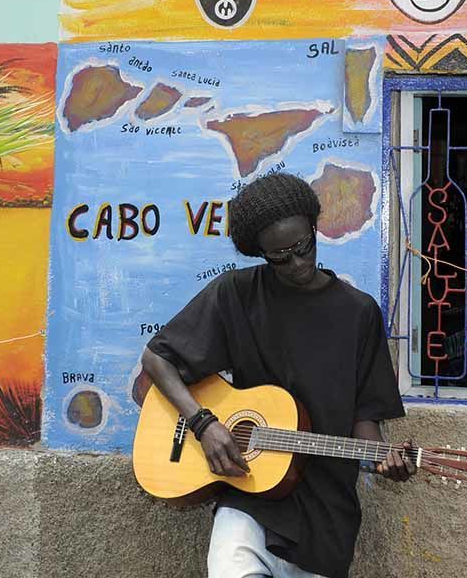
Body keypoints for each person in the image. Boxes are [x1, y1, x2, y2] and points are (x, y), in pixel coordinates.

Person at [141, 173, 413, 578]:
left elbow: (365, 418)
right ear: (261, 253)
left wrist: (382, 460)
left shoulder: (359, 313)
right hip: (250, 493)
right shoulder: (236, 294)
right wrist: (203, 424)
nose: (298, 263)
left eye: (304, 247)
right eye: (280, 257)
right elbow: (156, 359)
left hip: (327, 510)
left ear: (314, 228)